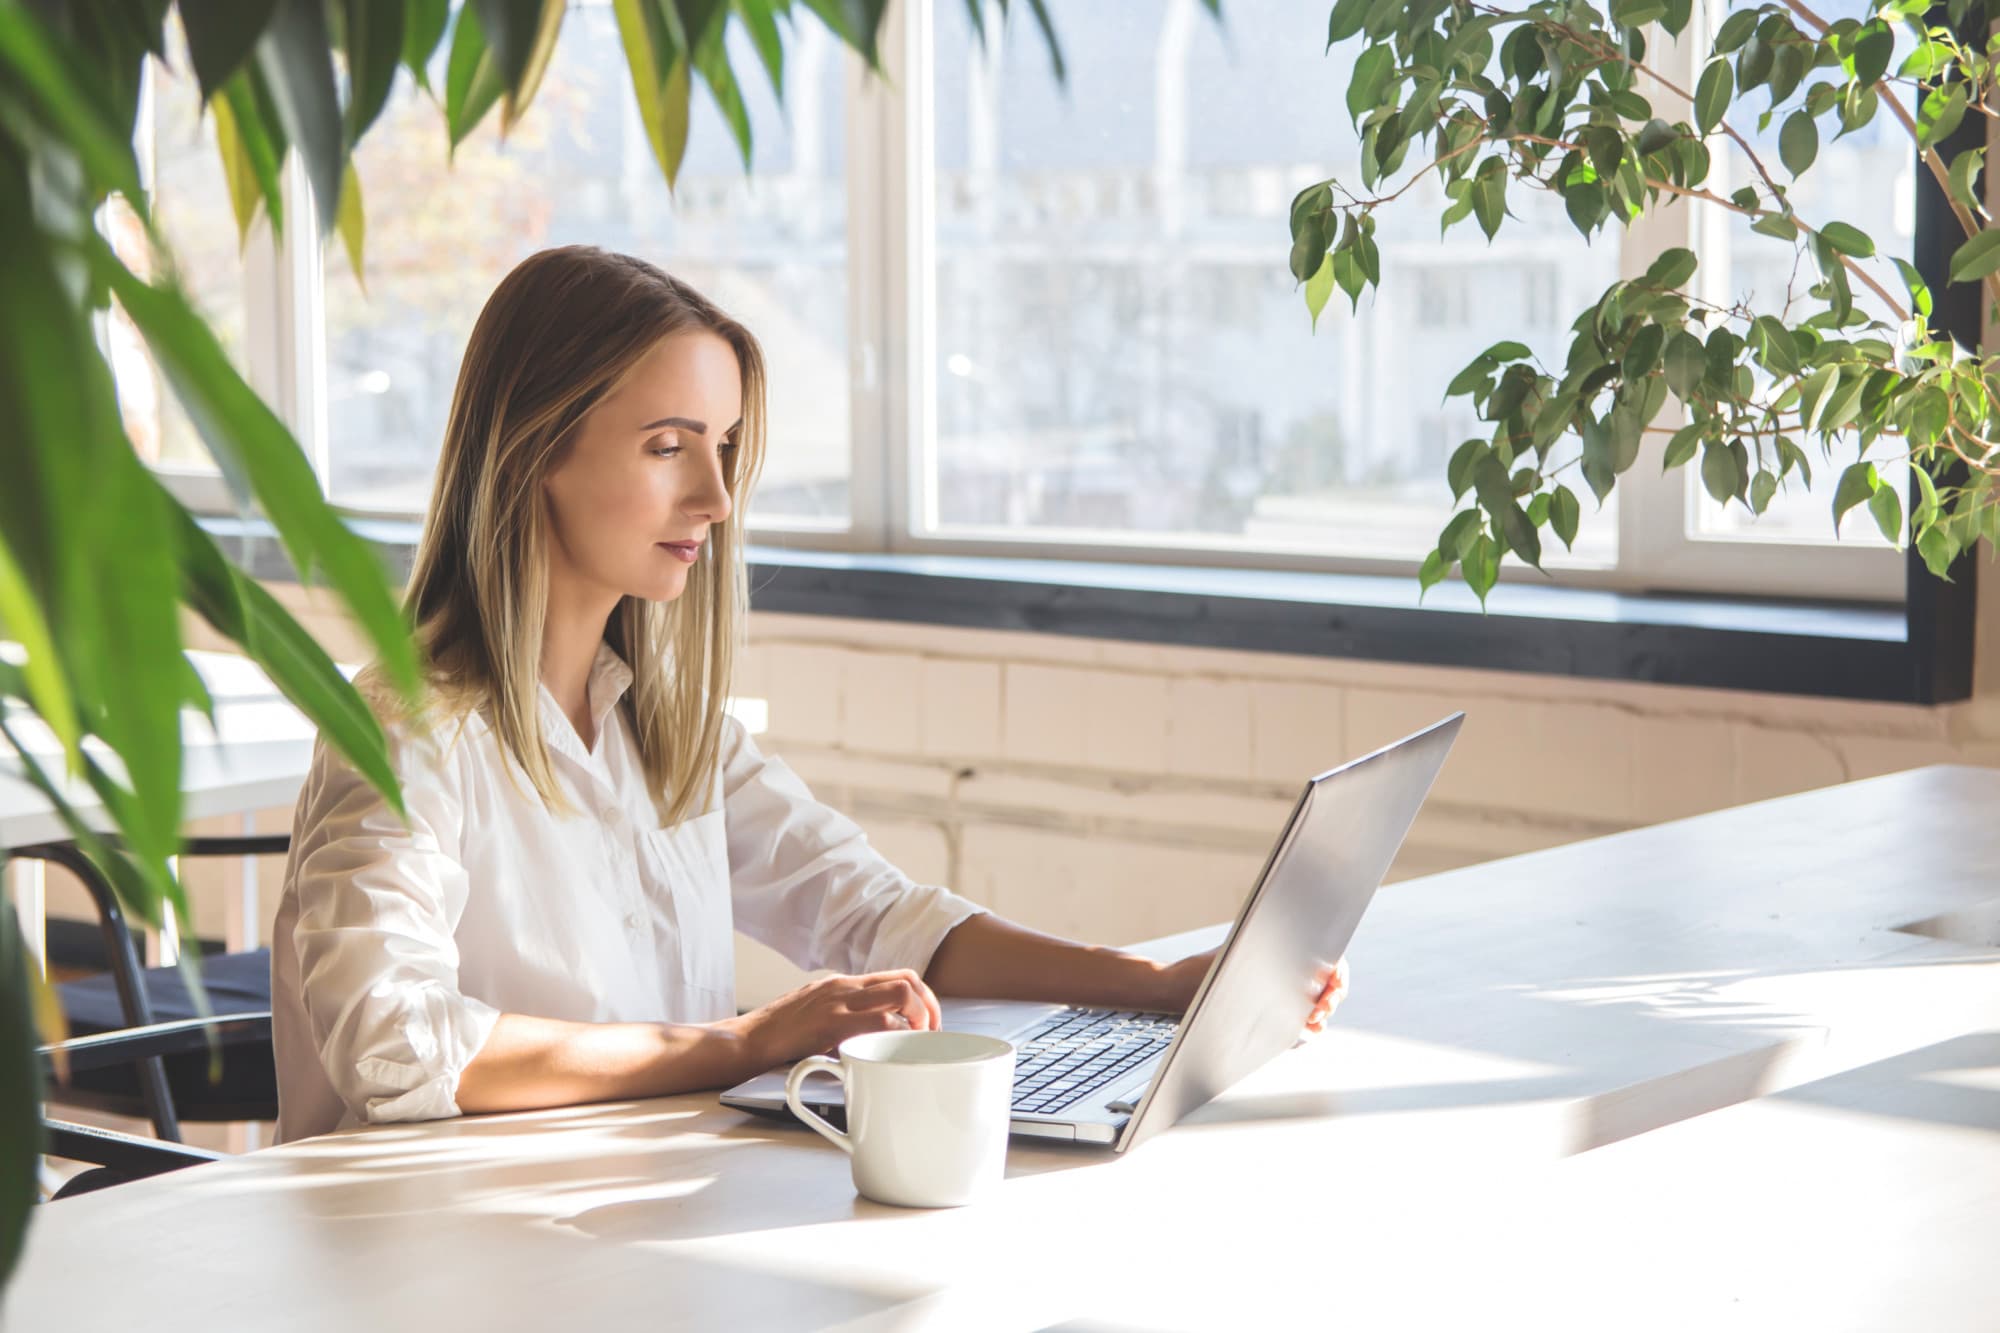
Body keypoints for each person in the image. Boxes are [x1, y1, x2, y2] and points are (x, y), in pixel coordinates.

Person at [270, 246, 1346, 1144]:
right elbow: (392, 1043)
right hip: (430, 1260)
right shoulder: (405, 730)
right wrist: (745, 1041)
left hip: (618, 1227)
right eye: (666, 446)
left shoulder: (672, 735)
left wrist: (1155, 986)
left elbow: (877, 915)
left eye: (725, 446)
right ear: (532, 451)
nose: (717, 495)